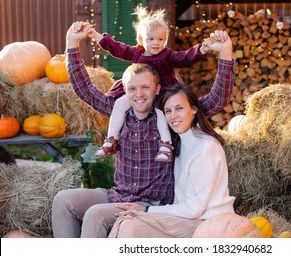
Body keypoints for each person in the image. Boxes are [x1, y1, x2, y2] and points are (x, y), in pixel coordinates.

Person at [51, 21, 234, 238]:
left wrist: (225, 54)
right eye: (133, 89)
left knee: (95, 214)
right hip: (118, 195)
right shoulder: (119, 113)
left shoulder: (170, 117)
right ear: (125, 90)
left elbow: (216, 99)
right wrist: (72, 44)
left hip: (151, 203)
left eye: (146, 87)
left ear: (157, 89)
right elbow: (85, 90)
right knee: (62, 200)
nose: (139, 94)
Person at [108, 82, 235, 238]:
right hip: (185, 217)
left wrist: (147, 210)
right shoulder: (179, 143)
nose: (173, 116)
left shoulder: (205, 147)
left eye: (179, 108)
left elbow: (194, 209)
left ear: (194, 109)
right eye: (168, 111)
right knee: (127, 219)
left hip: (208, 221)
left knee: (130, 223)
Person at [89, 5, 211, 162]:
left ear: (165, 40)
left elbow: (185, 58)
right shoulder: (136, 52)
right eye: (151, 39)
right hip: (141, 91)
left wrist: (202, 49)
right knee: (119, 104)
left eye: (161, 39)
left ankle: (165, 146)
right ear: (141, 40)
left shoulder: (168, 55)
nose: (156, 43)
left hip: (163, 92)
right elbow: (117, 48)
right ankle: (111, 140)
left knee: (161, 112)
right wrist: (97, 36)